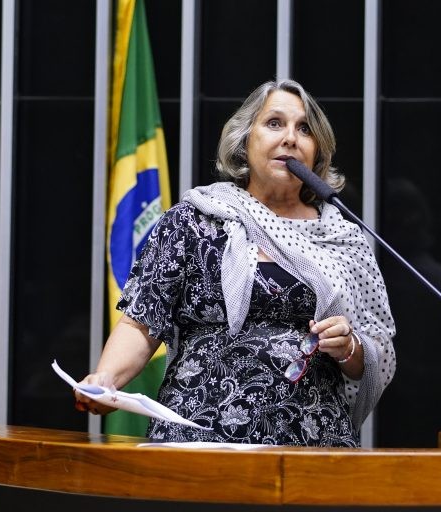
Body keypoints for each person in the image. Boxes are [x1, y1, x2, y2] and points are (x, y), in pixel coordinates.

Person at [75, 79, 396, 446]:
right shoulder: (194, 220)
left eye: (304, 129)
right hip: (197, 436)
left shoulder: (343, 238)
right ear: (245, 141)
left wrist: (349, 346)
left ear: (317, 153)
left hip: (313, 445)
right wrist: (104, 380)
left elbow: (377, 352)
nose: (290, 137)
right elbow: (141, 323)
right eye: (274, 123)